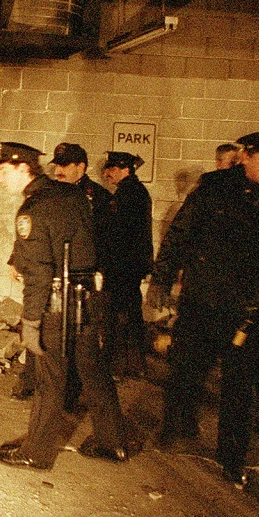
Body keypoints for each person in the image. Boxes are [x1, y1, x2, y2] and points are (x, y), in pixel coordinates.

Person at [146, 129, 259, 487]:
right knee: (185, 372)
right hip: (203, 303)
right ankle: (176, 428)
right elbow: (180, 234)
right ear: (246, 157)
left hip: (255, 313)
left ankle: (233, 458)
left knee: (244, 391)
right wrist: (160, 280)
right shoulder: (214, 189)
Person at [0, 142, 134, 468]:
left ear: (22, 168)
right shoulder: (72, 194)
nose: (0, 180)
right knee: (94, 373)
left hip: (56, 306)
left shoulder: (32, 208)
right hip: (88, 300)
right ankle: (113, 444)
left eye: (3, 172)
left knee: (49, 380)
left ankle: (36, 453)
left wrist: (30, 323)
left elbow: (40, 274)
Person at [14, 142, 112, 401]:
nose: (59, 170)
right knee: (52, 342)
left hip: (80, 280)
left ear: (81, 167)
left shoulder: (96, 197)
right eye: (56, 164)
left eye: (65, 165)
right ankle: (33, 385)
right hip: (53, 277)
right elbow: (39, 234)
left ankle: (64, 398)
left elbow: (101, 240)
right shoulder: (50, 193)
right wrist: (16, 259)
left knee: (78, 351)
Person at [101, 151, 154, 378]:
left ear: (126, 170)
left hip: (122, 266)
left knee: (119, 316)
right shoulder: (134, 192)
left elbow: (120, 235)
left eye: (112, 169)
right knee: (130, 314)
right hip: (130, 266)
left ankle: (118, 366)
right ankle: (135, 365)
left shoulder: (129, 194)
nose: (107, 173)